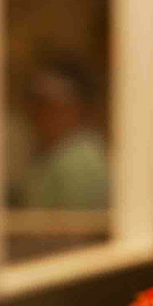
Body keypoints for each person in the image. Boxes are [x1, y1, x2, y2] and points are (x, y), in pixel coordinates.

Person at [16, 59, 110, 211]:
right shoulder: (55, 154)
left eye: (49, 106)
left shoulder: (78, 161)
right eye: (36, 105)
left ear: (77, 107)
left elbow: (76, 223)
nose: (38, 116)